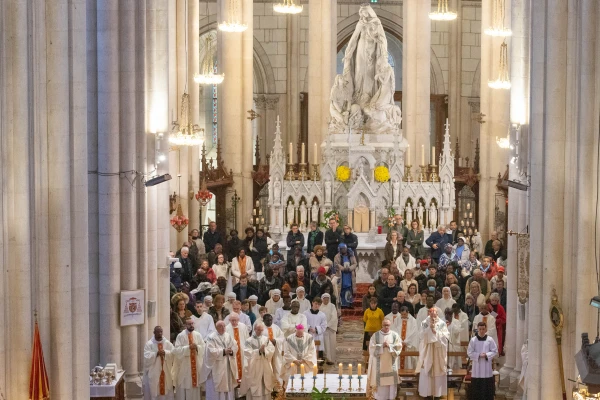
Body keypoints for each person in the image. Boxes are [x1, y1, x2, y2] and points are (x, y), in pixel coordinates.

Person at [200, 321, 238, 400]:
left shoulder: (228, 336)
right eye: (220, 326)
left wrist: (231, 351)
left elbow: (235, 346)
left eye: (224, 326)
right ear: (216, 328)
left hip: (227, 366)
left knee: (228, 388)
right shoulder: (211, 337)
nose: (223, 328)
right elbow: (210, 351)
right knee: (216, 389)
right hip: (217, 367)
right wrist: (223, 351)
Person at [417, 308, 450, 399]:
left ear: (437, 314)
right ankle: (427, 394)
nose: (432, 315)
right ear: (428, 313)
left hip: (438, 352)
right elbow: (421, 335)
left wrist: (436, 332)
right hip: (427, 351)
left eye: (434, 313)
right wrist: (429, 328)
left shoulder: (442, 324)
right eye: (430, 313)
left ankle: (437, 394)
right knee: (427, 371)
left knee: (438, 370)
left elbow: (446, 336)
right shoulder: (424, 323)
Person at [366, 319, 402, 400]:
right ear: (382, 325)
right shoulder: (376, 335)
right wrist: (381, 345)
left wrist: (389, 346)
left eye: (388, 325)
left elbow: (399, 347)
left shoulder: (395, 335)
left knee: (391, 382)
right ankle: (380, 398)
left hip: (391, 364)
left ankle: (391, 397)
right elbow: (372, 348)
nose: (386, 327)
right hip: (380, 365)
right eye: (385, 325)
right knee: (380, 387)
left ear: (390, 325)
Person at [239, 322, 276, 400]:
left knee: (265, 384)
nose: (260, 331)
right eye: (258, 330)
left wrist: (265, 351)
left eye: (261, 330)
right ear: (254, 329)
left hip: (264, 365)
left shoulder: (266, 339)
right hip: (254, 367)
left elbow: (271, 349)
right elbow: (247, 352)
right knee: (255, 386)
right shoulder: (249, 341)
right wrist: (258, 351)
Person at [172, 318, 205, 400]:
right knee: (184, 385)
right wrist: (188, 348)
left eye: (192, 323)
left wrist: (197, 347)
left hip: (196, 364)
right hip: (185, 365)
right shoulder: (180, 336)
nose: (191, 325)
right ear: (185, 325)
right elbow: (177, 350)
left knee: (195, 386)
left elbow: (203, 347)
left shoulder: (198, 335)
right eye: (189, 324)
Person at [467, 322, 498, 400]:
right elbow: (469, 352)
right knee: (476, 389)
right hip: (476, 368)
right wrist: (478, 355)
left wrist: (487, 355)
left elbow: (495, 351)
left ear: (486, 329)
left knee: (486, 388)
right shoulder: (473, 340)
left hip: (486, 367)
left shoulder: (490, 340)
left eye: (483, 329)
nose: (481, 331)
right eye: (480, 329)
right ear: (477, 329)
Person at [143, 326, 175, 400]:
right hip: (154, 372)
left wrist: (165, 352)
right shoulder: (149, 344)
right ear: (154, 332)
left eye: (161, 331)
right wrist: (156, 353)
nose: (160, 333)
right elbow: (146, 356)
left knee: (166, 388)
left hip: (166, 371)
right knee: (155, 389)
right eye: (158, 332)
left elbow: (173, 352)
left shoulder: (167, 343)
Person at [225, 313, 249, 384]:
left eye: (235, 320)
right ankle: (235, 385)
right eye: (232, 320)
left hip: (242, 351)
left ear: (238, 320)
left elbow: (247, 339)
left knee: (244, 367)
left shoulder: (243, 326)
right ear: (229, 320)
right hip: (232, 352)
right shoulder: (226, 328)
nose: (234, 322)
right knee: (234, 368)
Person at [261, 314, 285, 383]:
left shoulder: (276, 328)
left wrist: (275, 340)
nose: (269, 322)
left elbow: (282, 338)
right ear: (263, 320)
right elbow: (258, 338)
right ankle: (268, 387)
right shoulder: (260, 327)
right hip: (266, 352)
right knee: (267, 369)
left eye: (271, 320)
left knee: (277, 367)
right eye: (267, 320)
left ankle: (278, 387)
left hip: (275, 351)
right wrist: (267, 342)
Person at [333, 243, 357, 308]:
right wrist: (343, 269)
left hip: (349, 274)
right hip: (341, 274)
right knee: (342, 289)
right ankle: (342, 303)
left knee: (349, 288)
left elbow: (355, 263)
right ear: (339, 249)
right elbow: (336, 264)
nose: (344, 250)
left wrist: (349, 268)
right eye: (342, 249)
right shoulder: (337, 256)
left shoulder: (351, 255)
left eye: (345, 248)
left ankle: (349, 303)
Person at [319, 293, 338, 364]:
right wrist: (323, 326)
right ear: (322, 299)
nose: (326, 300)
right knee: (324, 344)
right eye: (324, 299)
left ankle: (331, 359)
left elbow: (334, 317)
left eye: (327, 299)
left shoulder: (332, 306)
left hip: (330, 329)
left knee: (331, 344)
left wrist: (328, 325)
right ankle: (324, 358)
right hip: (323, 329)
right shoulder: (320, 307)